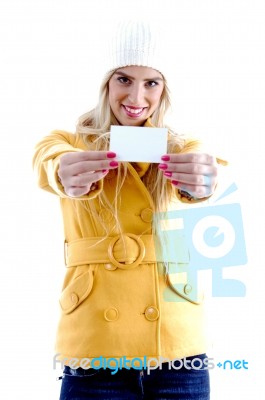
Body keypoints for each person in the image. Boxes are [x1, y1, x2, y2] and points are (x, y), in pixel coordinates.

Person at [33, 20, 226, 400]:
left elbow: (202, 172)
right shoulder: (67, 142)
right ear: (106, 82)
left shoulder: (182, 146)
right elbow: (49, 162)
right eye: (124, 79)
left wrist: (201, 182)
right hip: (96, 349)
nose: (136, 95)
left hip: (176, 348)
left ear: (164, 89)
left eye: (151, 82)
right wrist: (63, 171)